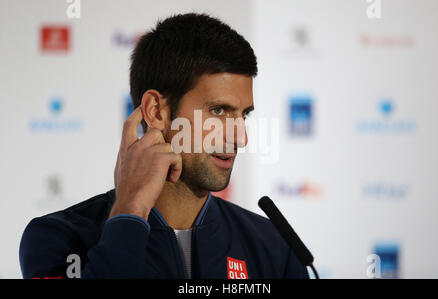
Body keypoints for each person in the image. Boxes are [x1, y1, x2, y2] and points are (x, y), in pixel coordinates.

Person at [19, 12, 309, 279]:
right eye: (219, 111)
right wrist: (131, 211)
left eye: (243, 115)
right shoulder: (57, 237)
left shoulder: (274, 246)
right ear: (156, 112)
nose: (240, 138)